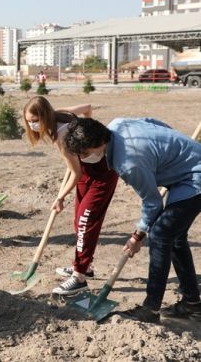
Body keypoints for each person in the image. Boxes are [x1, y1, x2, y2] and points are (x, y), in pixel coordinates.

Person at [64, 117, 201, 324]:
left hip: (194, 177)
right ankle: (192, 304)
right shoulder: (117, 124)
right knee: (175, 236)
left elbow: (153, 202)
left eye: (84, 154)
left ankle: (150, 309)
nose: (83, 159)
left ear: (99, 144)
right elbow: (157, 123)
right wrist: (165, 155)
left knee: (160, 234)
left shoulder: (127, 162)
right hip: (186, 169)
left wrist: (137, 235)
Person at [23, 96, 119, 295]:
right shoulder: (63, 113)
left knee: (85, 223)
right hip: (87, 167)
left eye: (34, 120)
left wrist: (60, 198)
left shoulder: (61, 136)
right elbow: (88, 108)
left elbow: (76, 174)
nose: (32, 125)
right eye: (29, 121)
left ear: (44, 115)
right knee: (79, 221)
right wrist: (86, 136)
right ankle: (85, 265)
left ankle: (79, 277)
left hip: (103, 172)